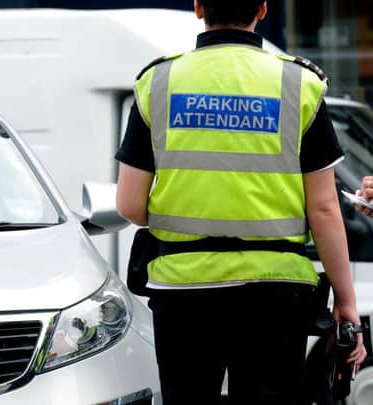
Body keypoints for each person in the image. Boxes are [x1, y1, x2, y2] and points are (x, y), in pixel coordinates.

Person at [115, 1, 367, 404]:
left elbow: (129, 204)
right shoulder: (298, 83)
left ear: (198, 7)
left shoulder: (159, 81)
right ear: (263, 9)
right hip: (277, 294)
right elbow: (323, 208)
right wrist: (347, 301)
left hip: (182, 289)